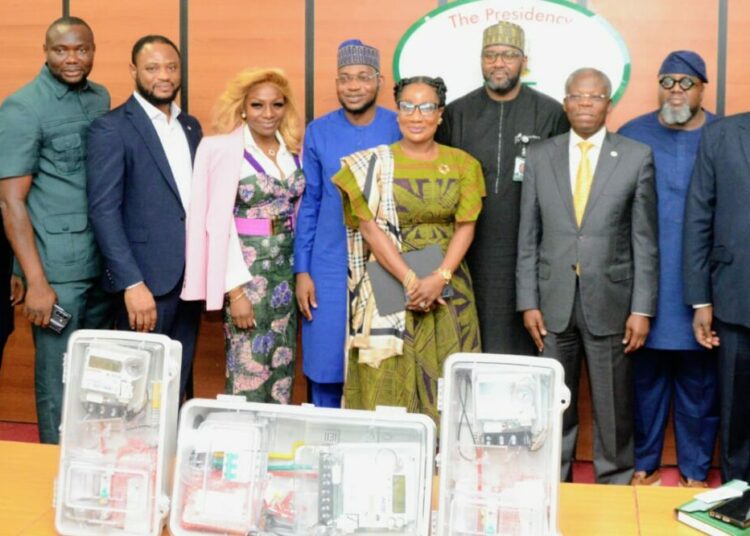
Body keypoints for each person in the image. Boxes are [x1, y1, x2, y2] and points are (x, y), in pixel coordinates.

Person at [516, 68, 658, 484]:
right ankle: (552, 480)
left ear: (608, 104)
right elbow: (528, 235)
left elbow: (645, 240)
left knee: (613, 405)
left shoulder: (635, 156)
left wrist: (642, 308)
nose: (585, 104)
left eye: (594, 97)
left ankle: (614, 480)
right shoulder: (540, 156)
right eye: (577, 96)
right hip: (551, 300)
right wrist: (528, 301)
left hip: (612, 300)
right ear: (565, 103)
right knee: (553, 402)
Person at [333, 76, 484, 424]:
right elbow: (369, 229)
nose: (417, 116)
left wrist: (439, 277)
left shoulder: (464, 163)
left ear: (440, 114)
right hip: (388, 281)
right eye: (408, 107)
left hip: (449, 287)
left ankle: (442, 455)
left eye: (426, 107)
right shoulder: (370, 164)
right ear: (397, 112)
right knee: (387, 381)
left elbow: (466, 226)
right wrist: (411, 280)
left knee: (448, 382)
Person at [0, 17, 114, 444]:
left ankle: (91, 467)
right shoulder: (23, 107)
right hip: (57, 271)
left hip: (101, 262)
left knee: (98, 380)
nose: (72, 59)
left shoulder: (100, 97)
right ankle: (54, 466)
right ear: (45, 51)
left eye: (81, 49)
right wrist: (34, 278)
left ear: (93, 50)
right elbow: (11, 201)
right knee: (58, 380)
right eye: (61, 50)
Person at [436, 21, 569, 355]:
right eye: (490, 55)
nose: (498, 63)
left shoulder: (551, 113)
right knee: (468, 343)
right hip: (467, 251)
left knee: (521, 351)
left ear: (524, 61)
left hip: (529, 252)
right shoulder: (456, 113)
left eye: (508, 55)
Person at [619, 51, 718, 488]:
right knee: (645, 382)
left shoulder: (722, 134)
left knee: (700, 385)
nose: (676, 91)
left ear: (702, 88)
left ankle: (695, 471)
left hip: (704, 285)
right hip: (645, 285)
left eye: (686, 82)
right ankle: (645, 466)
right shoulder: (632, 134)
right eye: (667, 82)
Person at [87, 35, 203, 398]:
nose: (164, 76)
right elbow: (103, 211)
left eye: (171, 67)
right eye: (152, 68)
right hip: (145, 284)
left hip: (189, 281)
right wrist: (132, 284)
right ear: (134, 71)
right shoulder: (112, 127)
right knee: (136, 390)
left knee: (177, 383)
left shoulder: (190, 126)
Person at [183, 68, 304, 404]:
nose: (268, 113)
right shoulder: (218, 149)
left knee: (282, 366)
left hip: (287, 272)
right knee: (248, 368)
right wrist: (234, 291)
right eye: (257, 105)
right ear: (243, 108)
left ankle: (276, 433)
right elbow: (214, 223)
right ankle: (241, 436)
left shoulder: (293, 149)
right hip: (247, 274)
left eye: (277, 104)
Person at [294, 39, 400, 407]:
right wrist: (302, 270)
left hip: (386, 264)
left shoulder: (399, 126)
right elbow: (310, 203)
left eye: (363, 77)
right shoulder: (319, 131)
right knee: (326, 363)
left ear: (379, 81)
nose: (353, 86)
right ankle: (325, 437)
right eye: (345, 78)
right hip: (328, 265)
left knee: (381, 361)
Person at [683, 97, 750, 485]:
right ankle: (736, 497)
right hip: (736, 298)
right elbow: (698, 217)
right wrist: (701, 299)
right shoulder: (720, 135)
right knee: (737, 414)